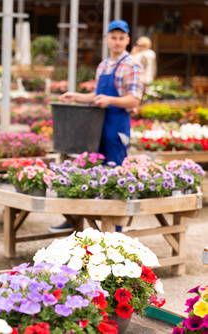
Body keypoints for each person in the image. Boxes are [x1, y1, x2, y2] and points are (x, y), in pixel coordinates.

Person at [49, 20, 144, 233]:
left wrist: (110, 101)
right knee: (89, 171)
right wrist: (77, 96)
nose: (117, 42)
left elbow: (135, 99)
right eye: (114, 37)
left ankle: (115, 228)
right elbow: (97, 96)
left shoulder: (132, 65)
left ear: (127, 40)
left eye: (121, 38)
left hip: (116, 128)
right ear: (107, 39)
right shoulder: (104, 65)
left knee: (116, 174)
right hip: (96, 127)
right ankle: (74, 220)